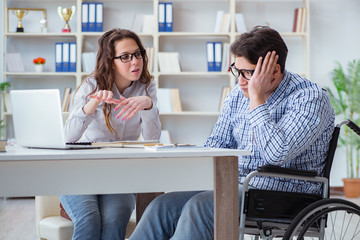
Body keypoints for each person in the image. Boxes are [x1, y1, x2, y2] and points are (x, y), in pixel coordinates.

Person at [129, 26, 335, 240]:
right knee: (162, 206)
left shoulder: (310, 98)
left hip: (288, 194)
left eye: (249, 73)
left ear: (274, 70)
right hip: (239, 186)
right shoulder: (237, 95)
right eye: (238, 71)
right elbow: (218, 143)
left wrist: (257, 99)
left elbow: (277, 154)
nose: (241, 81)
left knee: (200, 207)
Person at [60, 28, 161, 240]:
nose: (135, 62)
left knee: (114, 221)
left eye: (138, 54)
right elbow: (68, 137)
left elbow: (152, 140)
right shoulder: (91, 85)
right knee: (89, 219)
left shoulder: (147, 87)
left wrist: (149, 106)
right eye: (125, 57)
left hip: (119, 174)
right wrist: (92, 104)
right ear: (110, 60)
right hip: (81, 173)